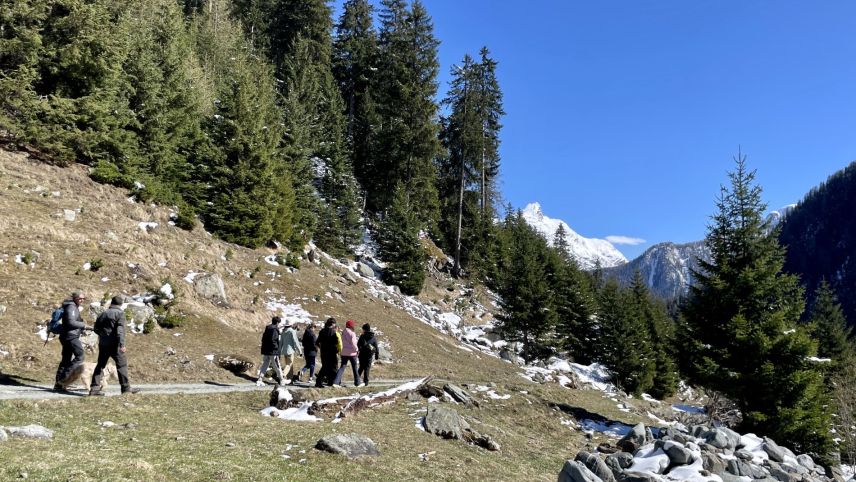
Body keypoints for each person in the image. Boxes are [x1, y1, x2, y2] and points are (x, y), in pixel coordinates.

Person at [89, 296, 139, 395]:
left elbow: (95, 328)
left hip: (103, 344)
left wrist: (103, 336)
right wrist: (122, 344)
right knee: (121, 366)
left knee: (100, 365)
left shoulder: (103, 313)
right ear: (121, 304)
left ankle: (94, 388)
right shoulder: (120, 314)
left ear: (111, 303)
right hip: (115, 345)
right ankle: (125, 388)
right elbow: (120, 331)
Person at [54, 291, 90, 392]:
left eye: (83, 298)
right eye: (80, 298)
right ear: (75, 298)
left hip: (66, 336)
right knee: (80, 356)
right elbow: (71, 322)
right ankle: (64, 379)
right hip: (71, 336)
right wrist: (83, 325)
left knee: (66, 359)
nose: (82, 300)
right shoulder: (71, 307)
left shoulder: (71, 306)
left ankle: (58, 384)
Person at [256, 316, 284, 387]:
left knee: (265, 364)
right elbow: (273, 340)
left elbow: (263, 339)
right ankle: (282, 380)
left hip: (266, 350)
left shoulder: (267, 328)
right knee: (277, 366)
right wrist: (277, 348)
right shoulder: (275, 330)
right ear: (277, 322)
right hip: (273, 351)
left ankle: (260, 379)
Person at [314, 318, 341, 387]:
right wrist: (337, 351)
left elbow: (317, 342)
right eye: (334, 323)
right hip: (332, 352)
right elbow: (336, 342)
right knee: (333, 367)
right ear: (332, 324)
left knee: (325, 367)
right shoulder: (333, 332)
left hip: (323, 352)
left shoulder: (322, 331)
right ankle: (333, 382)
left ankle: (321, 382)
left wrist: (322, 348)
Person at [333, 320, 360, 387]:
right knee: (355, 368)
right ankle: (358, 383)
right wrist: (357, 350)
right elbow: (354, 344)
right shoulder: (352, 333)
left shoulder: (343, 332)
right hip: (352, 353)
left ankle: (336, 382)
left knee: (342, 367)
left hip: (344, 353)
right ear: (351, 326)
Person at [278, 318, 303, 385]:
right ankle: (282, 375)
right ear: (291, 324)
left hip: (284, 351)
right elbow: (296, 341)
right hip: (290, 350)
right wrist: (300, 351)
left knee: (289, 365)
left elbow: (281, 342)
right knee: (289, 365)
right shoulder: (292, 331)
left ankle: (290, 380)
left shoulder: (283, 331)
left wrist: (279, 351)